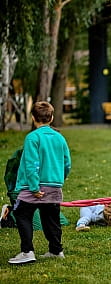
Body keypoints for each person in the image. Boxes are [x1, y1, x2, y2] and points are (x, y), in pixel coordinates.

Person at [8, 101, 71, 264]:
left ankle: (27, 251)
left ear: (33, 118)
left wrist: (35, 187)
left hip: (33, 187)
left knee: (21, 214)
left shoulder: (32, 138)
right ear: (51, 118)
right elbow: (67, 163)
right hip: (54, 186)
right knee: (52, 218)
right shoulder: (59, 138)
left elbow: (31, 164)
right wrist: (59, 180)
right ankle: (56, 251)